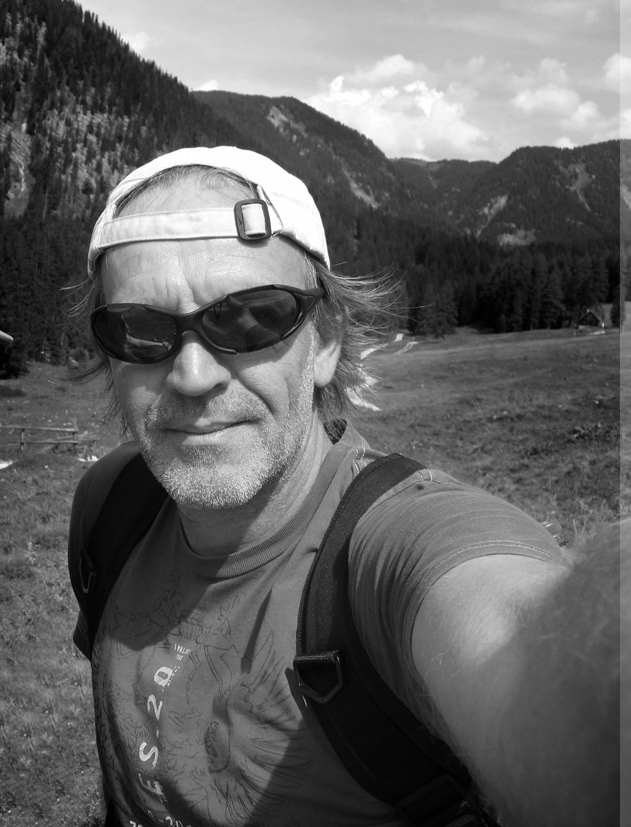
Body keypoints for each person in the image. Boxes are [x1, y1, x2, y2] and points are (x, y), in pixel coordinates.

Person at [71, 146, 620, 827]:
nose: (192, 375)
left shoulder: (390, 549)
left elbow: (535, 669)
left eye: (249, 318)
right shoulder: (110, 505)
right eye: (140, 330)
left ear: (325, 342)